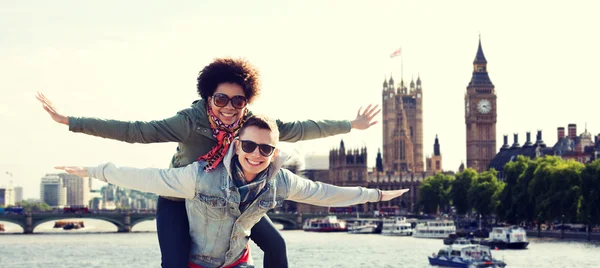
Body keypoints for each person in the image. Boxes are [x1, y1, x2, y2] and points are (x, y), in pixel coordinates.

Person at [36, 57, 380, 268]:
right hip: (181, 197)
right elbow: (134, 131)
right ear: (208, 97)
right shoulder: (189, 120)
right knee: (174, 263)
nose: (230, 107)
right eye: (220, 99)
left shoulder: (253, 124)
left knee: (277, 245)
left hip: (229, 199)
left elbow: (300, 129)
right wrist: (71, 121)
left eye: (238, 100)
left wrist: (352, 125)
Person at [56, 115, 409, 268]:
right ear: (237, 145)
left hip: (236, 262)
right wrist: (93, 171)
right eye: (250, 146)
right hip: (196, 262)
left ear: (274, 152)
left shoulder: (279, 180)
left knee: (278, 245)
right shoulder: (200, 176)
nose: (257, 154)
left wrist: (374, 195)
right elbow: (146, 177)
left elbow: (324, 192)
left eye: (266, 149)